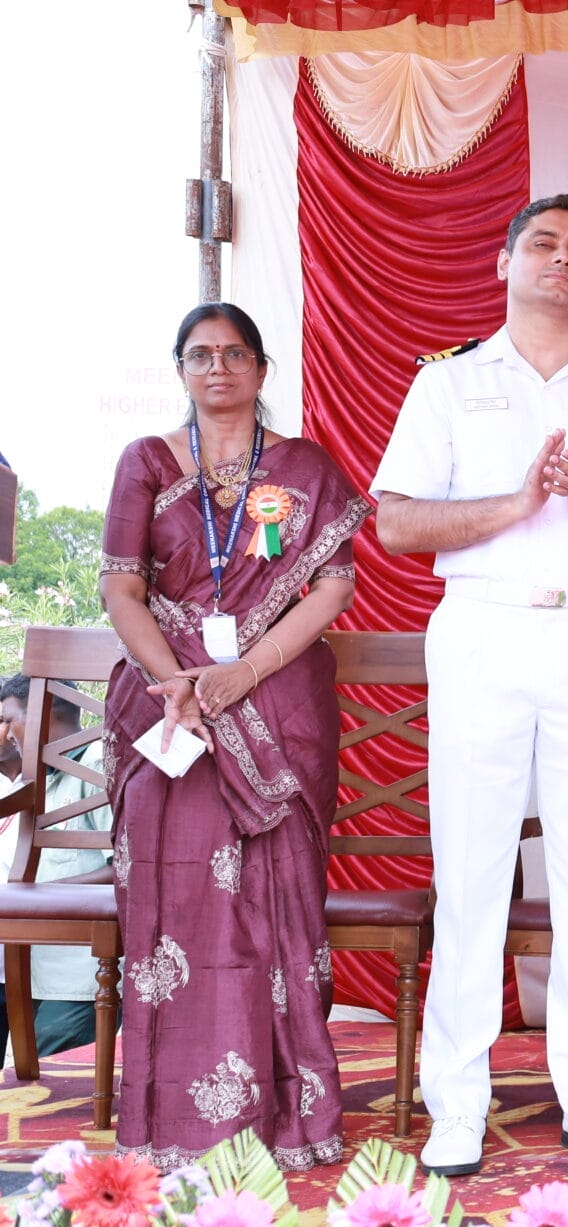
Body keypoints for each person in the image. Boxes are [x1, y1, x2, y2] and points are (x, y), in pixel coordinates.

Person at [371, 193, 568, 1176]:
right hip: (484, 625)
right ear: (504, 262)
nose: (562, 260)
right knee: (472, 872)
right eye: (544, 244)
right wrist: (515, 503)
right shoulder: (449, 382)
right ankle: (457, 1101)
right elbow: (397, 522)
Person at [99, 301, 367, 1170]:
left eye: (235, 353)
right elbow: (121, 589)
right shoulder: (145, 462)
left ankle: (287, 1117)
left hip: (277, 702)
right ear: (181, 368)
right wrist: (175, 683)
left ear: (261, 368)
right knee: (170, 869)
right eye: (201, 355)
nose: (218, 368)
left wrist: (244, 672)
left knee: (270, 894)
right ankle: (166, 1119)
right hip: (166, 700)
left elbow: (332, 587)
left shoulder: (304, 467)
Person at [0, 675, 113, 1057]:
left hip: (81, 977)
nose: (7, 734)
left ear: (43, 713)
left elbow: (128, 868)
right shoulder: (43, 781)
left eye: (9, 720)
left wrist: (37, 894)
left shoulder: (97, 765)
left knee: (53, 1074)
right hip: (38, 972)